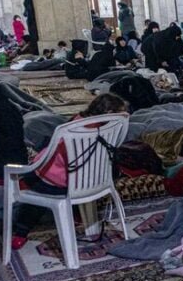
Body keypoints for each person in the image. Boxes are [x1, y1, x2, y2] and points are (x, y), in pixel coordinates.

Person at [10, 93, 129, 248]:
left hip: (66, 184)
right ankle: (76, 215)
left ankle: (21, 232)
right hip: (97, 181)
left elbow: (51, 158)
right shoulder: (113, 128)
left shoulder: (71, 127)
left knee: (35, 186)